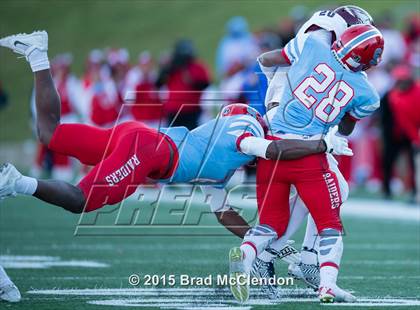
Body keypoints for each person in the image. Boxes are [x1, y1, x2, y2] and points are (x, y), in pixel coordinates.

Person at [0, 31, 351, 237]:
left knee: (49, 132)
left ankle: (37, 54)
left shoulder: (225, 160)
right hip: (149, 151)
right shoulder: (248, 132)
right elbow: (274, 151)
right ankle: (17, 182)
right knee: (81, 200)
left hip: (139, 137)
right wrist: (322, 143)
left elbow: (222, 212)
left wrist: (259, 243)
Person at [229, 24, 383, 303]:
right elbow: (347, 128)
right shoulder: (367, 94)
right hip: (308, 153)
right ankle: (326, 284)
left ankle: (247, 255)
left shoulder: (312, 45)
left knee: (269, 223)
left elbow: (268, 60)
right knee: (329, 224)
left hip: (272, 148)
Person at [156, 39, 210, 129]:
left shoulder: (197, 67)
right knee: (172, 139)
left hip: (191, 111)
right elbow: (158, 83)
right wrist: (165, 67)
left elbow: (205, 84)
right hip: (173, 111)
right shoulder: (172, 67)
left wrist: (192, 82)